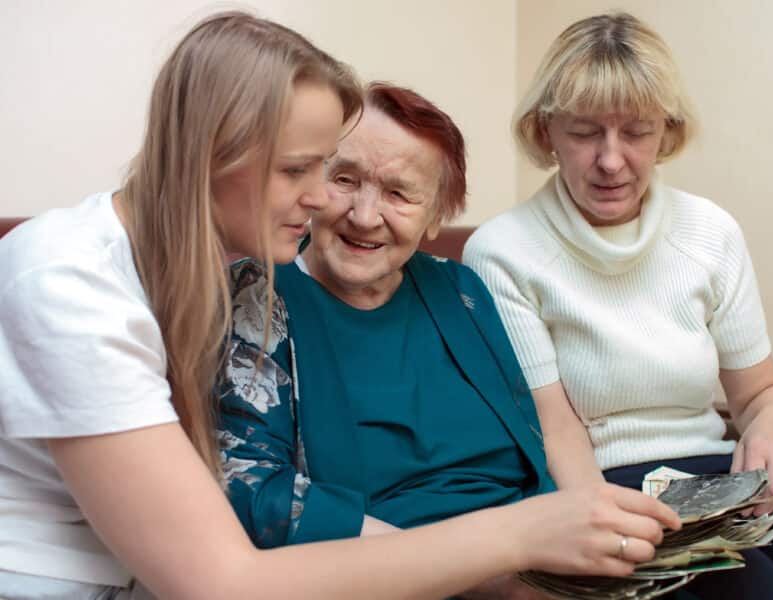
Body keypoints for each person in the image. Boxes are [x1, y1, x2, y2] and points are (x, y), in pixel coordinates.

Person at [0, 11, 681, 600]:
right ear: (210, 152)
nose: (330, 202)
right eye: (305, 170)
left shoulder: (232, 268)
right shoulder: (65, 283)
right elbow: (222, 580)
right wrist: (521, 536)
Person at [463, 12, 773, 600]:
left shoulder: (708, 232)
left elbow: (759, 391)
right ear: (546, 133)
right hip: (601, 487)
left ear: (667, 132)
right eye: (586, 132)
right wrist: (607, 531)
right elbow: (554, 428)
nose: (612, 160)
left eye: (636, 132)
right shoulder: (503, 251)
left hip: (720, 479)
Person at [217, 82, 681, 600]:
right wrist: (480, 569)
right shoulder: (258, 298)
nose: (366, 214)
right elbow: (254, 491)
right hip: (406, 578)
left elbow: (543, 432)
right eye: (345, 179)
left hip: (548, 569)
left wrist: (599, 531)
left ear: (437, 215)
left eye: (398, 194)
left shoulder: (460, 289)